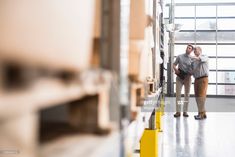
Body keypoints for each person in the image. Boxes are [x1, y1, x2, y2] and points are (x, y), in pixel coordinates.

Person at [173, 44, 194, 117]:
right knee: (178, 94)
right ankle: (178, 112)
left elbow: (194, 68)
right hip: (179, 78)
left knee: (187, 95)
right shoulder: (179, 56)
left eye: (190, 48)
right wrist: (175, 70)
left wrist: (192, 72)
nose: (188, 49)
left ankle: (185, 112)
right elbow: (174, 64)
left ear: (191, 51)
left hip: (187, 78)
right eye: (187, 47)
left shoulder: (192, 58)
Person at [191, 46, 209, 120]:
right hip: (196, 79)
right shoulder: (194, 61)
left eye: (196, 50)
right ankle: (202, 113)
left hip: (203, 79)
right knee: (197, 97)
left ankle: (201, 114)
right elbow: (192, 69)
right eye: (194, 50)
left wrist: (192, 57)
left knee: (201, 97)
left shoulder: (204, 56)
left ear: (200, 50)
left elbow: (200, 59)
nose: (194, 51)